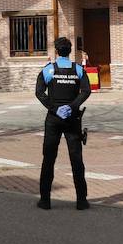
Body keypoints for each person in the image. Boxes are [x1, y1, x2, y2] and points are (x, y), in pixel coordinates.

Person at [34, 36, 91, 210]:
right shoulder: (78, 69)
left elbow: (39, 92)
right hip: (72, 118)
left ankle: (45, 200)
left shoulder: (48, 70)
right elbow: (86, 91)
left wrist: (55, 108)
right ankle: (81, 201)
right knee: (76, 159)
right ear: (70, 51)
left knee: (49, 158)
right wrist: (72, 107)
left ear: (57, 51)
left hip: (53, 118)